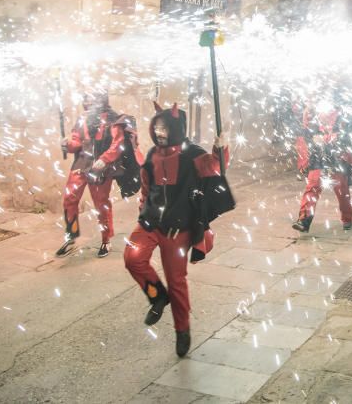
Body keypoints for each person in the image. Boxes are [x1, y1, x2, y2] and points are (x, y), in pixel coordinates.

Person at [123, 103, 235, 357]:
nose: (160, 132)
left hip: (179, 228)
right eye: (157, 127)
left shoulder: (192, 153)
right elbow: (145, 187)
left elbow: (214, 165)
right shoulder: (152, 154)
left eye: (164, 127)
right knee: (133, 258)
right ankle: (157, 296)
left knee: (176, 281)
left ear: (175, 128)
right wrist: (143, 212)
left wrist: (221, 146)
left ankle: (182, 330)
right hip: (150, 222)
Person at [57, 93, 125, 258]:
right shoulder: (82, 119)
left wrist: (105, 159)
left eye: (90, 99)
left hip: (100, 167)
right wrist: (68, 144)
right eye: (85, 98)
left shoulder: (112, 119)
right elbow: (76, 141)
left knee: (101, 204)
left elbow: (118, 144)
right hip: (81, 163)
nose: (86, 102)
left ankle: (106, 239)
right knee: (69, 198)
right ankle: (71, 236)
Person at [292, 102, 352, 233]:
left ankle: (347, 218)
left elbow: (350, 138)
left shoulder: (343, 120)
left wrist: (336, 140)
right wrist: (313, 139)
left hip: (337, 162)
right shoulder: (313, 121)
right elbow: (305, 135)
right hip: (318, 161)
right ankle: (304, 221)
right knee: (311, 190)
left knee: (342, 192)